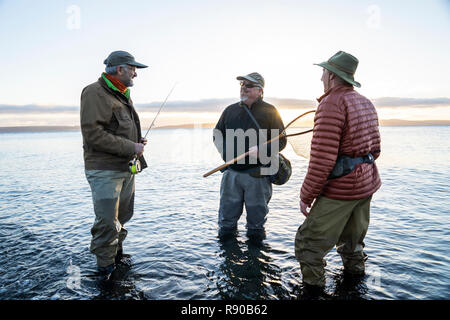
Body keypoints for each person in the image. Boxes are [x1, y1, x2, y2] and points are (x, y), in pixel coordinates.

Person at [295, 51, 381, 294]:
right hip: (366, 185)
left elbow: (322, 160)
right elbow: (376, 149)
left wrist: (305, 195)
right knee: (352, 245)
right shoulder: (365, 102)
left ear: (332, 75)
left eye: (323, 71)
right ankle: (355, 290)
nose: (321, 75)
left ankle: (314, 294)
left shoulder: (331, 103)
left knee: (308, 245)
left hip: (342, 190)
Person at [80, 50, 148, 280]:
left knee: (123, 216)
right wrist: (131, 147)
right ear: (120, 70)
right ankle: (105, 271)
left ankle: (117, 256)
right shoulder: (94, 92)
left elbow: (116, 128)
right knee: (107, 222)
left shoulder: (122, 94)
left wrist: (136, 142)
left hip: (126, 168)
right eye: (133, 69)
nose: (135, 74)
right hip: (104, 170)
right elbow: (93, 135)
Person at [213, 72, 286, 242]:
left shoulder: (271, 111)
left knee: (256, 226)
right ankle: (228, 262)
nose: (243, 88)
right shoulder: (229, 110)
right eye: (242, 85)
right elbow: (217, 134)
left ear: (260, 90)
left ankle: (255, 263)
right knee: (226, 223)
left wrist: (262, 150)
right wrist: (227, 154)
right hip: (231, 174)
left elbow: (282, 141)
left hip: (258, 176)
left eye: (248, 85)